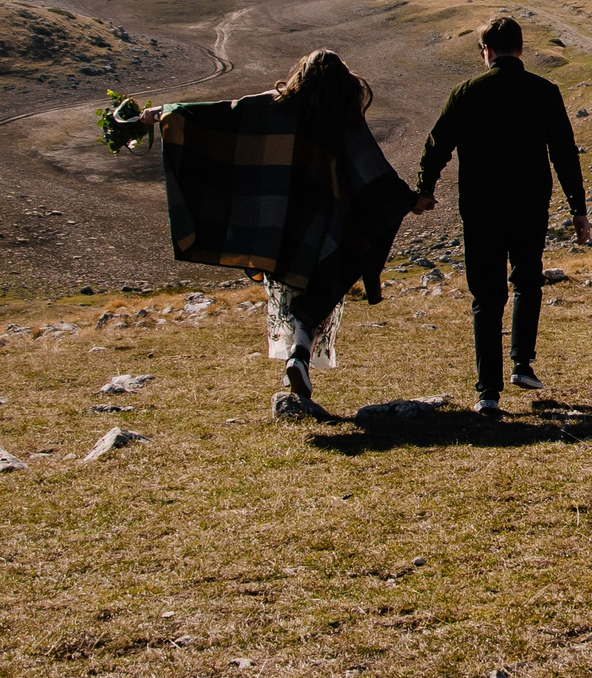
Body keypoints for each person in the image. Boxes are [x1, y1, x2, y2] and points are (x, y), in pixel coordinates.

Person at [141, 49, 414, 417]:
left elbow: (225, 114)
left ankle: (297, 359)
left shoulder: (277, 105)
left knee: (290, 289)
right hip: (326, 220)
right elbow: (373, 170)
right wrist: (409, 200)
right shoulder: (345, 118)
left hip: (283, 218)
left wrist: (166, 113)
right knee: (318, 288)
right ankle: (299, 355)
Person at [412, 15, 589, 415]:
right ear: (521, 49)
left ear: (486, 52)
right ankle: (522, 363)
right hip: (529, 203)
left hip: (481, 207)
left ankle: (487, 393)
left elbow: (436, 145)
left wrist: (425, 190)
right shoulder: (544, 91)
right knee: (527, 278)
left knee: (486, 296)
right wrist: (578, 208)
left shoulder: (466, 93)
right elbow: (564, 153)